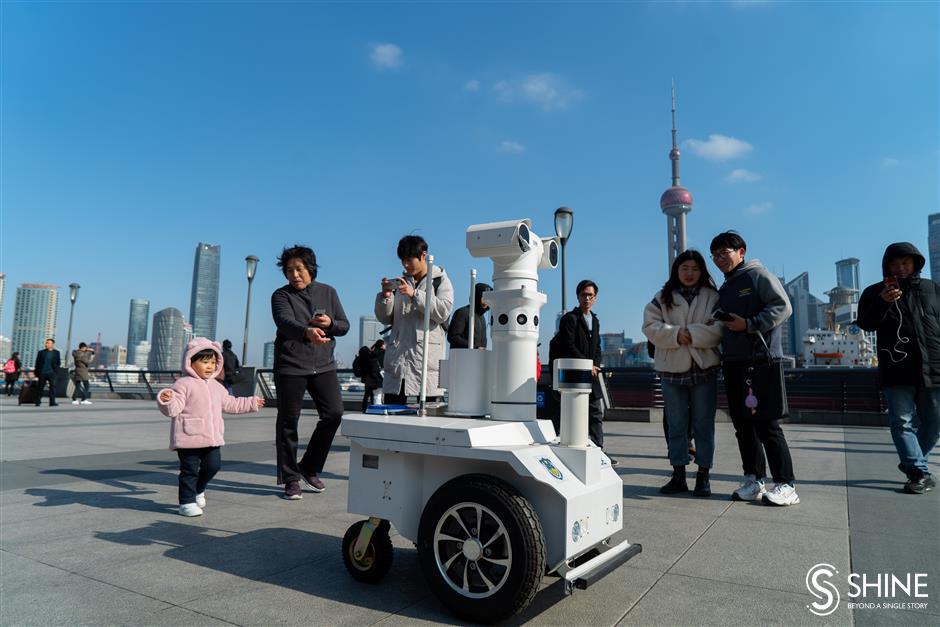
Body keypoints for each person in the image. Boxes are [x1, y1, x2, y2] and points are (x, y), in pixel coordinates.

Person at [710, 231, 798, 506]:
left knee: (767, 425)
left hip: (761, 360)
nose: (720, 258)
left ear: (741, 252)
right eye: (715, 255)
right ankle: (754, 479)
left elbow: (783, 307)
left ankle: (786, 484)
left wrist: (749, 324)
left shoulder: (757, 275)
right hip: (734, 362)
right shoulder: (725, 287)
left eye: (725, 252)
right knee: (743, 426)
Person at [857, 242, 940, 494]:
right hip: (897, 368)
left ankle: (913, 462)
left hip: (934, 366)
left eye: (905, 263)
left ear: (916, 263)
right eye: (895, 264)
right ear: (887, 267)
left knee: (934, 423)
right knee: (901, 422)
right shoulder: (874, 292)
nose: (901, 268)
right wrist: (882, 302)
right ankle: (918, 470)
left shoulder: (933, 289)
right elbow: (865, 324)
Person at [643, 250, 723, 497]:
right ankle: (678, 474)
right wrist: (682, 334)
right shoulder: (663, 297)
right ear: (676, 270)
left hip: (704, 369)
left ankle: (703, 476)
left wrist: (684, 333)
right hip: (671, 370)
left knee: (704, 425)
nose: (689, 273)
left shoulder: (713, 296)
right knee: (676, 425)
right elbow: (649, 326)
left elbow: (720, 327)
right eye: (684, 268)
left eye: (695, 268)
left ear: (702, 271)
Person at [272, 245, 349, 500]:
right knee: (288, 423)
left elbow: (344, 325)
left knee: (334, 414)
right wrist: (307, 332)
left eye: (299, 269)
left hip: (323, 364)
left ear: (310, 269)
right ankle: (290, 478)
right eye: (289, 270)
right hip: (291, 365)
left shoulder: (329, 292)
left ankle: (309, 467)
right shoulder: (280, 296)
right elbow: (285, 322)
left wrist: (331, 324)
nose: (294, 275)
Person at [157, 337, 264, 516]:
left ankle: (199, 489)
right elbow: (173, 409)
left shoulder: (217, 387)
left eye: (213, 362)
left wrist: (251, 403)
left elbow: (231, 404)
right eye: (205, 362)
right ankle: (186, 503)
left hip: (212, 437)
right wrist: (167, 399)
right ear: (190, 362)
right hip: (188, 437)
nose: (210, 366)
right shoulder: (182, 384)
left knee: (213, 466)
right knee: (189, 471)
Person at [375, 235, 454, 405]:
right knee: (393, 413)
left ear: (423, 256)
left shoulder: (440, 281)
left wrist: (415, 294)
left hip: (426, 360)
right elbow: (384, 318)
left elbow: (443, 312)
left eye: (409, 260)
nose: (405, 265)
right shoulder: (401, 283)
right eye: (402, 260)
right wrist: (386, 297)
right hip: (399, 360)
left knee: (429, 415)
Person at [549, 280, 616, 465]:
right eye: (584, 294)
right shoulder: (570, 319)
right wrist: (587, 364)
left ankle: (598, 451)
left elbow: (597, 348)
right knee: (566, 412)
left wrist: (595, 364)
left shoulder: (595, 320)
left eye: (591, 295)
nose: (587, 298)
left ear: (595, 298)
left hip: (590, 374)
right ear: (578, 296)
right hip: (573, 375)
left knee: (595, 413)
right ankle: (557, 445)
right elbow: (567, 345)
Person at [447, 283, 492, 349]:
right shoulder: (462, 313)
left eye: (489, 299)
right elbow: (452, 337)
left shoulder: (482, 318)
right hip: (462, 357)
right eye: (484, 298)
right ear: (478, 297)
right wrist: (475, 347)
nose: (486, 302)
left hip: (479, 357)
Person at [357, 340, 385, 412]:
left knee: (367, 395)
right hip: (377, 378)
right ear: (381, 345)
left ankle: (364, 409)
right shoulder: (382, 353)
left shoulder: (368, 354)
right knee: (376, 395)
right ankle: (374, 409)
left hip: (368, 378)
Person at [33, 339, 61, 407]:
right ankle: (38, 401)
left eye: (48, 343)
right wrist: (36, 372)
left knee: (53, 388)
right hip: (42, 372)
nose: (46, 344)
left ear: (52, 344)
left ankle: (52, 402)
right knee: (40, 387)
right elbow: (37, 363)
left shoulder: (56, 352)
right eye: (46, 343)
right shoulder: (41, 352)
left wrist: (55, 371)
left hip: (52, 373)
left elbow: (58, 362)